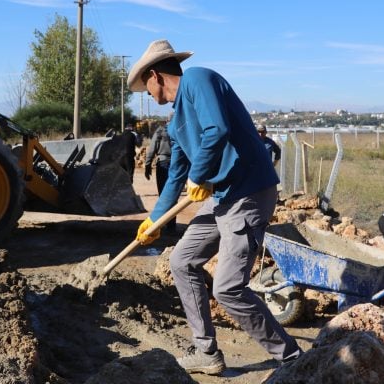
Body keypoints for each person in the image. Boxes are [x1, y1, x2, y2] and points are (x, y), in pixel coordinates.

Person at [127, 39, 302, 376]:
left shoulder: (198, 80)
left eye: (144, 87)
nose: (146, 95)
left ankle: (291, 358)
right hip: (222, 198)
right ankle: (206, 352)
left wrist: (200, 173)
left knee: (228, 288)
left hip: (248, 192)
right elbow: (176, 177)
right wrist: (152, 221)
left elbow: (217, 129)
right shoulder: (175, 123)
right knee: (181, 261)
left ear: (155, 75)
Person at [144, 116, 176, 230]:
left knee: (163, 194)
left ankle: (161, 223)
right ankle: (171, 226)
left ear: (167, 121)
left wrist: (147, 166)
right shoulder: (180, 130)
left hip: (162, 163)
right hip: (176, 164)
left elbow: (152, 149)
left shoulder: (160, 131)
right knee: (173, 195)